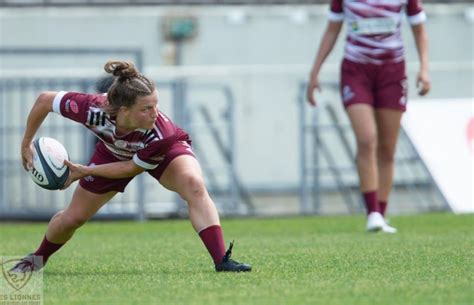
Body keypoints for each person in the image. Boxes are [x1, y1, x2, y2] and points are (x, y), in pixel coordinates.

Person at [11, 60, 251, 272]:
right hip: (113, 153)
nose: (155, 113)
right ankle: (37, 259)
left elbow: (131, 168)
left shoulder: (161, 133)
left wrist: (86, 171)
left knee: (194, 185)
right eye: (146, 108)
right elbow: (44, 100)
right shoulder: (93, 109)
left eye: (156, 105)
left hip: (162, 153)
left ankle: (222, 261)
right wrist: (26, 143)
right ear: (124, 110)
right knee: (72, 219)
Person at [306, 0, 431, 233]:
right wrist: (315, 72)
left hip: (392, 72)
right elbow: (332, 29)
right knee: (366, 138)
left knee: (387, 148)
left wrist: (424, 68)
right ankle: (372, 213)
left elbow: (419, 29)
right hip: (356, 72)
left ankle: (381, 215)